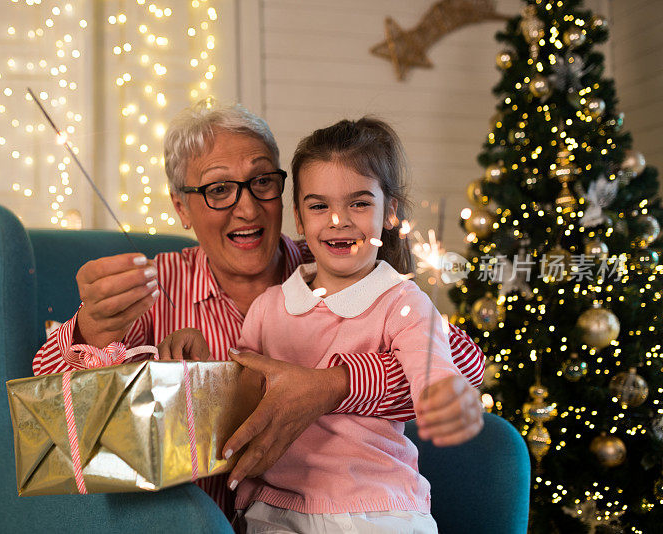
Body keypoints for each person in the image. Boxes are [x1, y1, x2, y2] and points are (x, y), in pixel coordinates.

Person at [32, 101, 485, 517]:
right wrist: (92, 329)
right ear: (181, 207)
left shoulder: (335, 264)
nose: (246, 207)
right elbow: (50, 419)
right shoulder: (150, 286)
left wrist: (333, 385)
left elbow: (464, 366)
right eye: (218, 189)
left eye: (261, 181)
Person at [222, 117, 465, 533]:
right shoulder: (269, 307)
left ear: (389, 212)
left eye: (358, 203)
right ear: (299, 218)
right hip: (276, 507)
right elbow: (238, 391)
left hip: (375, 506)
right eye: (319, 206)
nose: (338, 220)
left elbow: (432, 364)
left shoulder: (401, 300)